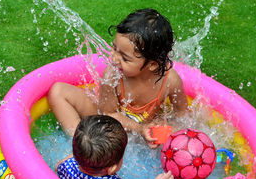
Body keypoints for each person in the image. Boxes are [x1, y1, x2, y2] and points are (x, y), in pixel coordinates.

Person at [48, 8, 188, 148]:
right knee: (58, 91)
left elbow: (182, 116)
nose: (114, 59)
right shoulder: (112, 75)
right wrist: (139, 129)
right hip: (109, 124)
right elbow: (108, 114)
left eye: (125, 58)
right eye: (114, 48)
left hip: (142, 130)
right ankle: (80, 145)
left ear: (152, 64)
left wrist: (161, 131)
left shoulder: (170, 81)